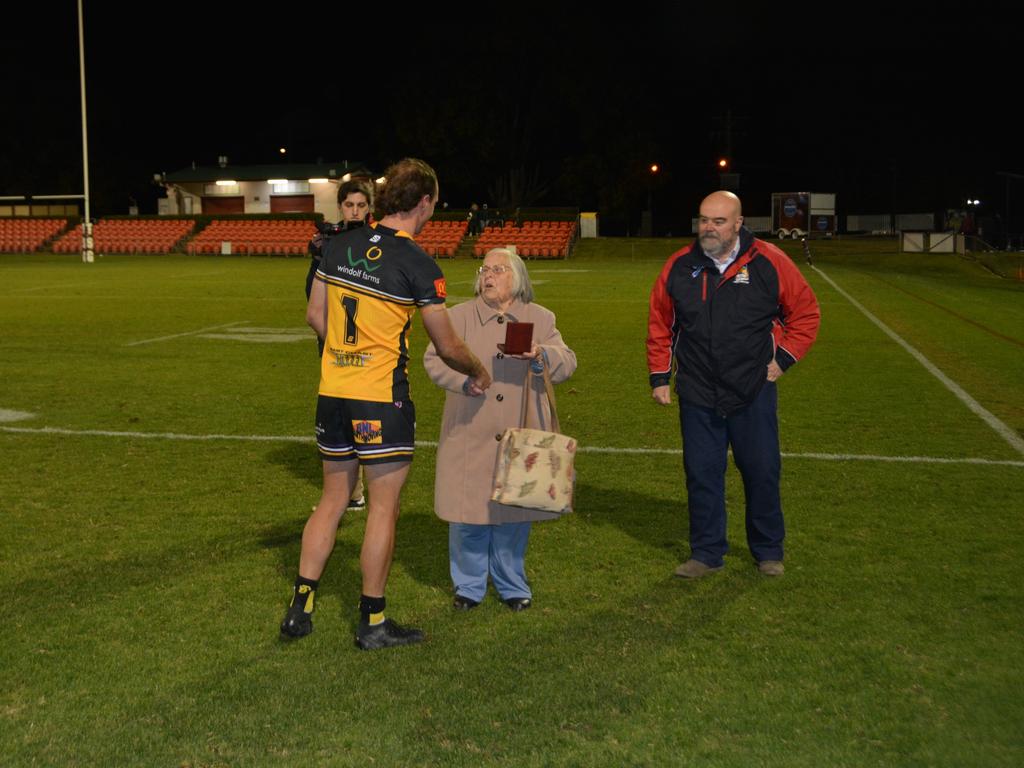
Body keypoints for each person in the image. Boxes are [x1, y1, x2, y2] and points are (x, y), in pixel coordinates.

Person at [281, 158, 491, 649]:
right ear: (424, 203)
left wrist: (345, 356)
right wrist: (479, 371)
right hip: (379, 399)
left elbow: (316, 314)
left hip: (332, 392)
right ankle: (372, 622)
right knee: (382, 508)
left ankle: (300, 608)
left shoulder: (339, 245)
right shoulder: (417, 263)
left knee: (333, 499)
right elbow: (446, 346)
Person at [647, 191, 820, 578]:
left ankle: (768, 550)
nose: (709, 227)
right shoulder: (679, 266)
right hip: (697, 390)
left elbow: (805, 313)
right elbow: (661, 322)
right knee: (702, 473)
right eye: (704, 219)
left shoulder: (770, 262)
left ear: (739, 223)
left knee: (761, 470)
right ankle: (706, 553)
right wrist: (661, 377)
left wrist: (784, 359)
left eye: (719, 221)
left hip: (752, 389)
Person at [423, 248, 576, 610]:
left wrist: (541, 355)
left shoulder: (540, 317)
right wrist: (463, 383)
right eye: (485, 269)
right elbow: (433, 359)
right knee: (467, 512)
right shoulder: (457, 317)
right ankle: (468, 586)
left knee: (513, 515)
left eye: (498, 269)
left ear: (517, 277)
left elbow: (567, 362)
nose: (489, 275)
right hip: (469, 431)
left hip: (519, 434)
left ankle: (512, 584)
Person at [305, 178, 375, 511]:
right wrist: (319, 258)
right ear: (341, 207)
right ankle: (352, 491)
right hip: (333, 342)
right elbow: (313, 298)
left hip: (369, 346)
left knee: (366, 414)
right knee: (338, 416)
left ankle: (371, 485)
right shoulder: (329, 243)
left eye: (362, 205)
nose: (356, 211)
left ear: (370, 208)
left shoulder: (379, 242)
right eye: (350, 205)